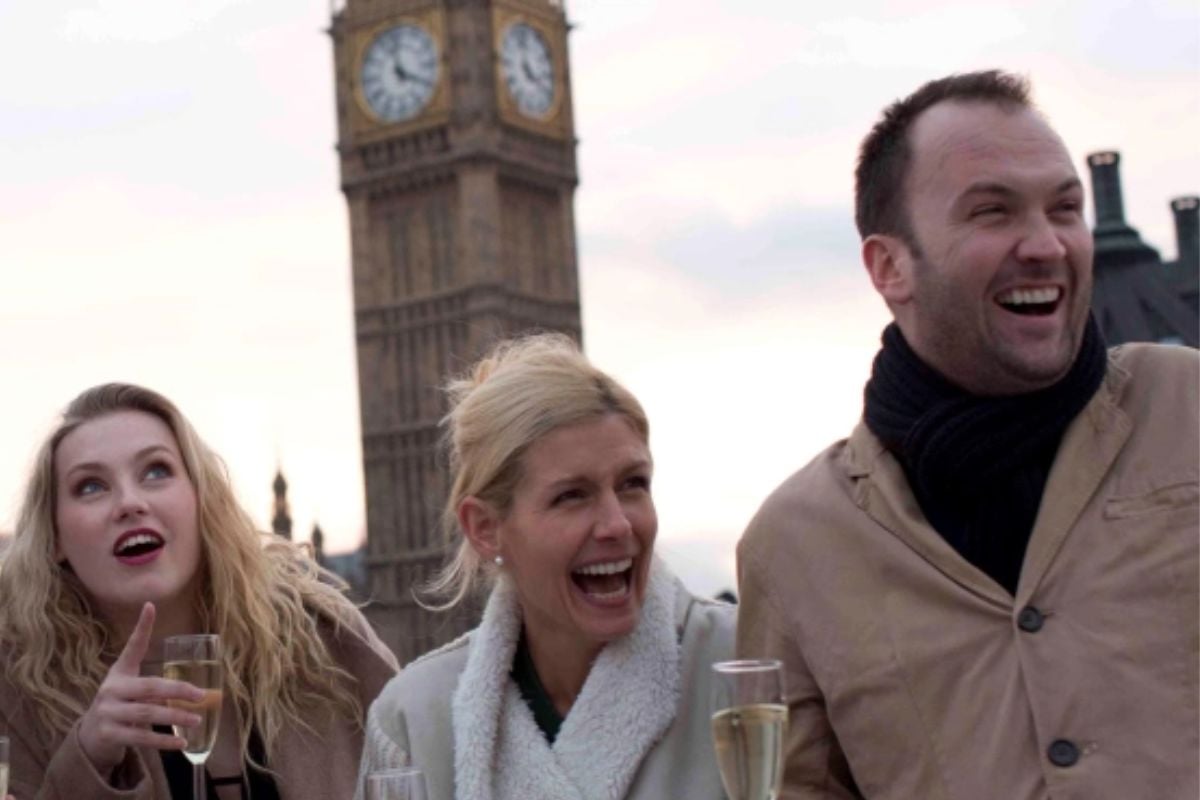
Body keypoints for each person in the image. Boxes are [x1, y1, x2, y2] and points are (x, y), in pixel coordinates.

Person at [737, 69, 1198, 799]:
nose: (1046, 244)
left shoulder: (1189, 408)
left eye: (1064, 208)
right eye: (994, 213)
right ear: (890, 267)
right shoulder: (794, 545)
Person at [358, 333, 735, 800]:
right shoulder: (413, 721)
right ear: (485, 528)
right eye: (572, 496)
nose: (617, 524)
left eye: (633, 484)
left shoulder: (742, 666)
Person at [0, 383, 399, 799]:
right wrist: (86, 762)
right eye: (91, 486)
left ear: (201, 500)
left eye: (156, 471)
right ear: (55, 537)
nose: (129, 502)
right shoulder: (15, 696)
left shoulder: (326, 644)